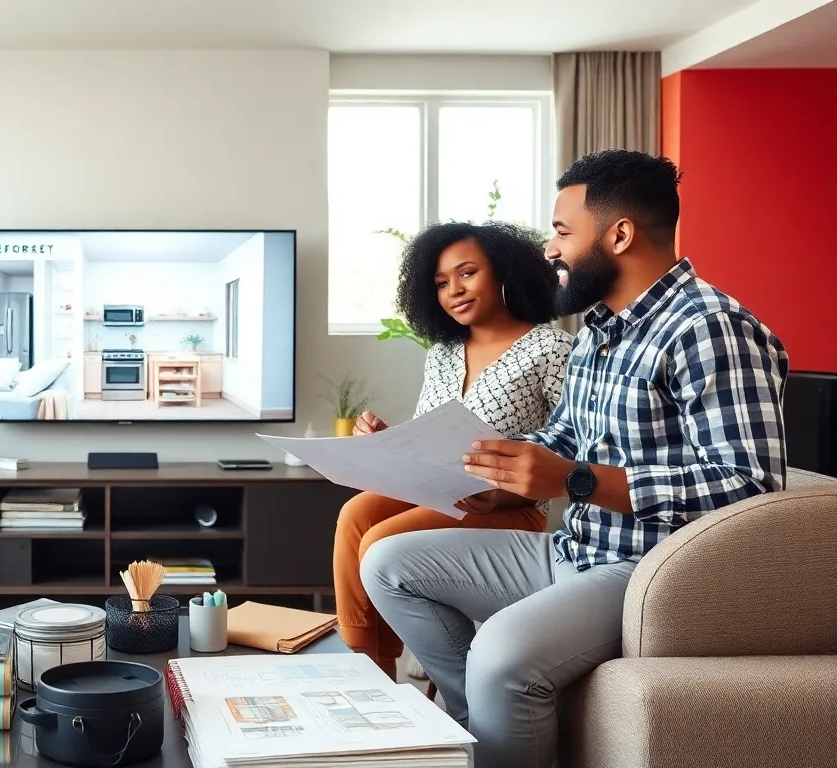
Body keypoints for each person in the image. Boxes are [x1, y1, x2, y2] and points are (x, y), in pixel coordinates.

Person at [360, 149, 788, 768]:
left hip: (650, 569)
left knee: (501, 654)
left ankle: (496, 714)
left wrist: (576, 480)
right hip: (573, 551)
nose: (550, 250)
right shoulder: (600, 329)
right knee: (389, 562)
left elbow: (750, 490)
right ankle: (478, 728)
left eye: (562, 231)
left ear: (619, 234)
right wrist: (500, 484)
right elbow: (564, 438)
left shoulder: (711, 328)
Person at [333, 220, 573, 680]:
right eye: (441, 283)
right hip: (438, 490)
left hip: (508, 505)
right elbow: (432, 438)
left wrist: (508, 488)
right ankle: (368, 665)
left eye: (467, 274)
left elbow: (576, 443)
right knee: (356, 515)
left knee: (382, 540)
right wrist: (389, 438)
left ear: (503, 272)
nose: (454, 291)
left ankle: (380, 673)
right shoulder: (442, 353)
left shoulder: (551, 348)